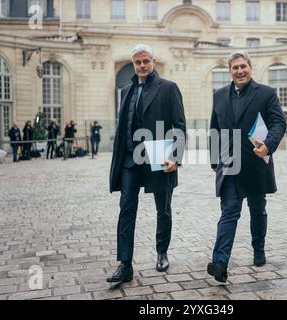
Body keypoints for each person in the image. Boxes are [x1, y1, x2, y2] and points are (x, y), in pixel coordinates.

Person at [107, 44, 186, 287]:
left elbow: (179, 126)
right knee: (126, 210)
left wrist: (175, 156)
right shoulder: (127, 91)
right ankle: (125, 264)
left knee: (163, 210)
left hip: (158, 157)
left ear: (153, 61)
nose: (142, 65)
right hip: (131, 160)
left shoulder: (169, 88)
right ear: (133, 64)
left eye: (145, 61)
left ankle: (162, 252)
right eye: (137, 62)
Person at [207, 50, 286, 283]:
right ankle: (220, 263)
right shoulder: (219, 95)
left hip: (255, 163)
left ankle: (258, 249)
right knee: (229, 212)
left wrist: (268, 145)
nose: (240, 71)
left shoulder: (267, 93)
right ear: (230, 71)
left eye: (243, 66)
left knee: (257, 210)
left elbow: (278, 122)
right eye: (235, 68)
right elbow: (215, 130)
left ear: (250, 68)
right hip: (229, 165)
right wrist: (214, 161)